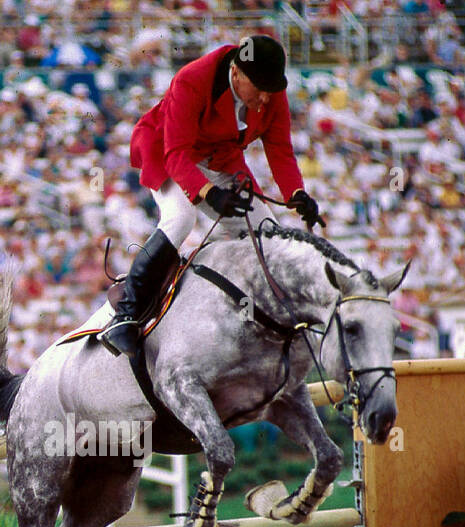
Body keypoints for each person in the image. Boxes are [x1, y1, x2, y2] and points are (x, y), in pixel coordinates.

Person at [99, 35, 325, 357]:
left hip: (222, 160)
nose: (265, 97)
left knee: (267, 231)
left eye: (270, 89)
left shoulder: (270, 90)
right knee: (181, 218)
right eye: (258, 88)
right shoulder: (192, 80)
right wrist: (209, 193)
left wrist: (297, 192)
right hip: (168, 151)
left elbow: (280, 149)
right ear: (236, 74)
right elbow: (176, 152)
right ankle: (126, 313)